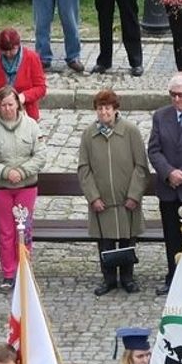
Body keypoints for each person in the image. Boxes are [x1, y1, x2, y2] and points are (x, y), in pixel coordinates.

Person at [77, 89, 149, 295]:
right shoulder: (89, 135)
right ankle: (108, 279)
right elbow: (84, 168)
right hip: (102, 202)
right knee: (105, 242)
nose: (103, 113)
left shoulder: (130, 131)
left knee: (127, 240)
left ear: (115, 109)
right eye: (100, 109)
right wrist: (94, 197)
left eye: (107, 108)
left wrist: (134, 195)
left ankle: (127, 277)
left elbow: (141, 166)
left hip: (127, 200)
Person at [0, 86, 46, 290]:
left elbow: (40, 156)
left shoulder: (32, 126)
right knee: (6, 231)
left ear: (18, 103)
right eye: (3, 105)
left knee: (24, 231)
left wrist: (22, 172)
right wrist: (6, 172)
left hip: (26, 187)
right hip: (1, 189)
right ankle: (8, 273)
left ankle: (24, 271)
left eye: (11, 104)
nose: (8, 108)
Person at [146, 73, 182, 296]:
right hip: (169, 190)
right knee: (171, 237)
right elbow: (154, 150)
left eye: (181, 95)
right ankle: (173, 277)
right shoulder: (161, 116)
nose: (177, 100)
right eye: (173, 95)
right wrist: (169, 172)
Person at [0, 28, 48, 122]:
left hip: (27, 115)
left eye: (12, 50)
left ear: (18, 45)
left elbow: (41, 87)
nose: (8, 54)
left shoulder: (32, 58)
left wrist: (23, 97)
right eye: (4, 51)